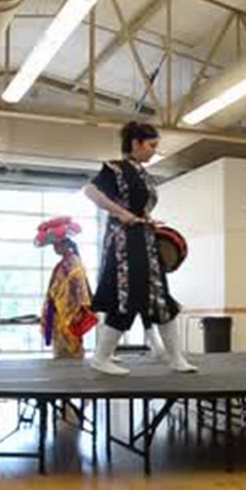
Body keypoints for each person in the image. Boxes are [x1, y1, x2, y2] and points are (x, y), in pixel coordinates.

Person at [83, 121, 196, 375]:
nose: (154, 151)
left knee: (159, 296)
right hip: (125, 241)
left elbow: (139, 206)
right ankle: (101, 357)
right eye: (151, 145)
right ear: (135, 143)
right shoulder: (116, 168)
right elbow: (90, 191)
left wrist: (145, 220)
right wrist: (121, 212)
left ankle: (175, 357)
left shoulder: (142, 173)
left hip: (144, 238)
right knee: (127, 296)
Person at [36, 217, 98, 359]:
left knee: (70, 348)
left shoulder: (73, 262)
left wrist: (62, 299)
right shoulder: (65, 262)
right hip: (59, 311)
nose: (55, 248)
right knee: (61, 349)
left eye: (57, 245)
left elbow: (76, 286)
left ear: (65, 244)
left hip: (69, 311)